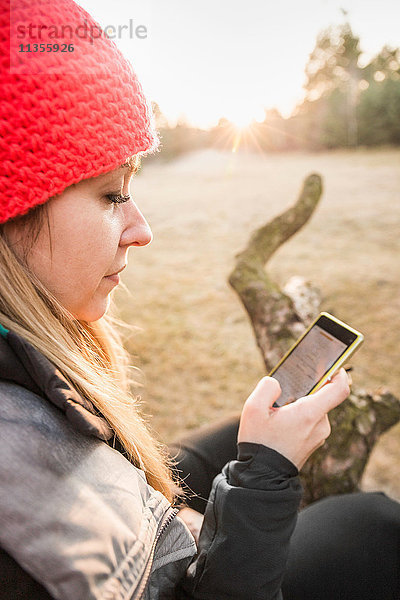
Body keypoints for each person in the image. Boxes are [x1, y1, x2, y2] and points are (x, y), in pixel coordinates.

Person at [0, 1, 399, 599]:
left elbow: (110, 474)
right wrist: (263, 474)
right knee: (373, 524)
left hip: (138, 518)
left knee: (246, 437)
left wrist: (249, 450)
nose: (142, 229)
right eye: (112, 194)